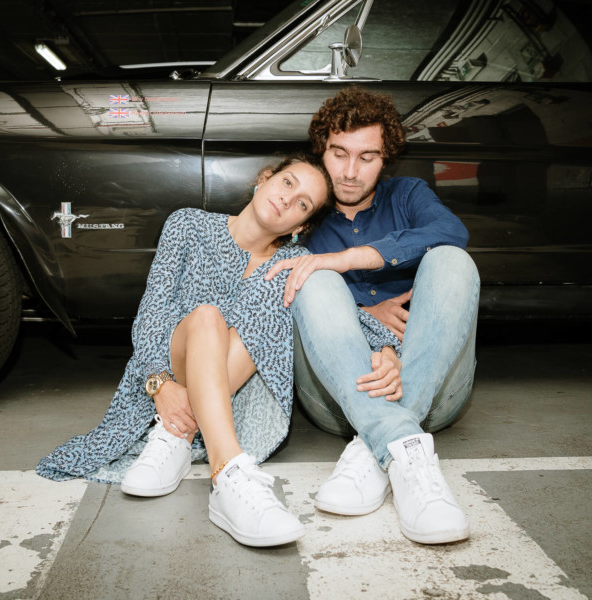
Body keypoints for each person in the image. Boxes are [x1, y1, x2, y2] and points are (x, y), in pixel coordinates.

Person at [37, 154, 401, 548]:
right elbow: (152, 312)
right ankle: (226, 470)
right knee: (207, 317)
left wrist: (386, 345)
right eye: (288, 183)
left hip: (241, 404)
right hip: (166, 374)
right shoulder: (188, 225)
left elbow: (338, 316)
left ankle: (178, 436)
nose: (287, 200)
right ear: (265, 179)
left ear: (301, 225)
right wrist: (159, 384)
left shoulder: (294, 259)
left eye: (302, 205)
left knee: (281, 280)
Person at [266, 87, 480, 545]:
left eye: (367, 157)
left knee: (452, 259)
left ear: (386, 160)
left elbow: (451, 231)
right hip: (340, 398)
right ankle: (404, 448)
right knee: (312, 275)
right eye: (339, 153)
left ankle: (375, 447)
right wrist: (370, 323)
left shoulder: (408, 195)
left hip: (431, 387)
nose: (349, 171)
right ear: (322, 150)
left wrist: (352, 259)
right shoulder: (303, 216)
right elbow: (267, 299)